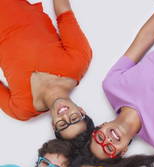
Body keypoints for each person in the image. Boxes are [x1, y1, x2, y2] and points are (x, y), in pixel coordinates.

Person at [89, 0, 154, 160]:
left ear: (100, 126)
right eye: (109, 148)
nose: (108, 140)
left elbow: (144, 39)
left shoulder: (112, 85)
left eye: (100, 138)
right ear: (123, 151)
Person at [0, 0, 94, 143]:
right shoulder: (78, 62)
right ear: (81, 111)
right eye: (74, 118)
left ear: (53, 125)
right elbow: (64, 14)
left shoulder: (21, 110)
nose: (65, 115)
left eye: (62, 124)